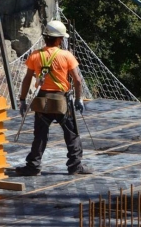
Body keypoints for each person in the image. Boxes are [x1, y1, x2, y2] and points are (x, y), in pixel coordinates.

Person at [15, 20, 92, 176]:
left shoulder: (35, 55)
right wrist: (78, 98)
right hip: (61, 102)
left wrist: (22, 100)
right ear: (59, 39)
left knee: (40, 135)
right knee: (71, 134)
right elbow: (77, 80)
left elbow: (27, 79)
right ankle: (75, 166)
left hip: (43, 102)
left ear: (46, 37)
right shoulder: (66, 56)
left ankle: (33, 166)